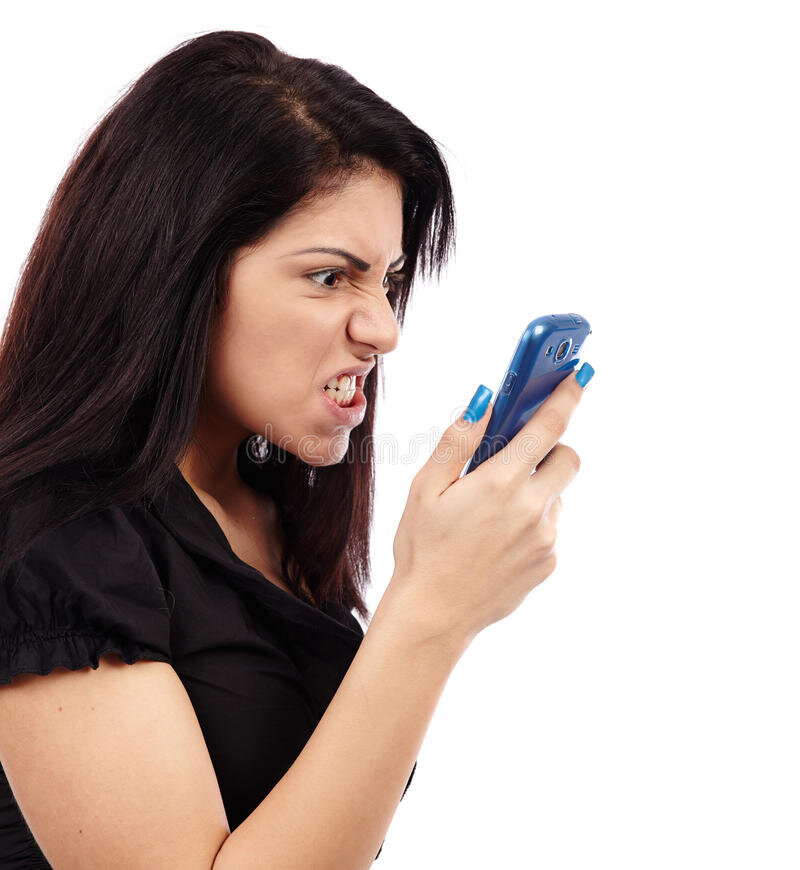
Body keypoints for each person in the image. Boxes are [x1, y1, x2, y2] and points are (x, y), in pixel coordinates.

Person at [0, 29, 593, 869]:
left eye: (387, 280)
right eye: (329, 277)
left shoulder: (274, 502)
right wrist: (431, 609)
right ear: (177, 277)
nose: (383, 328)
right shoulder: (53, 537)